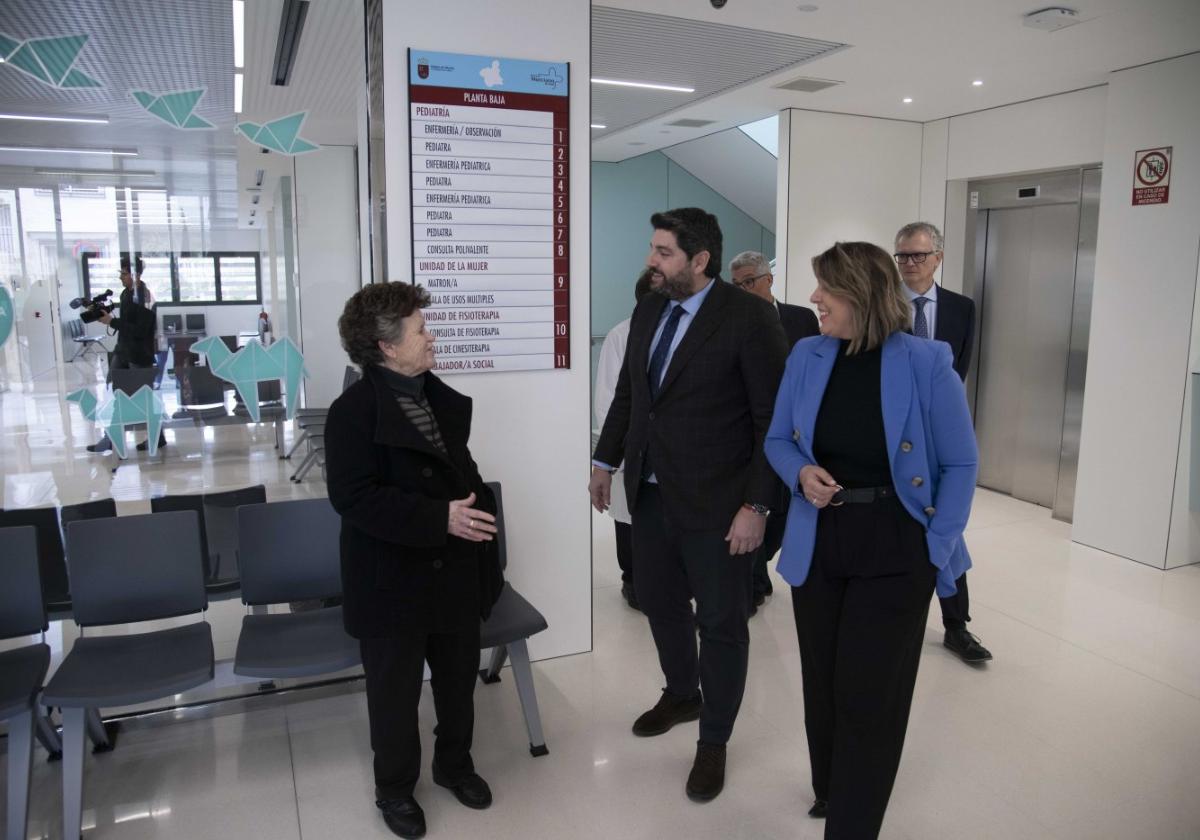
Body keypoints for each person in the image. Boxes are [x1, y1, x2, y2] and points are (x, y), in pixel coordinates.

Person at [765, 241, 978, 838]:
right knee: (824, 681)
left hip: (896, 543)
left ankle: (853, 823)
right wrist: (801, 473)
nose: (813, 300)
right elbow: (779, 439)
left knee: (871, 694)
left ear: (861, 295)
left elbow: (962, 464)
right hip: (821, 537)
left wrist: (934, 546)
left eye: (825, 291)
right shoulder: (806, 354)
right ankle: (831, 787)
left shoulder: (927, 361)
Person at [590, 208, 788, 802]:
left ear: (700, 260)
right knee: (659, 601)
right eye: (653, 248)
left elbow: (770, 422)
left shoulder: (750, 318)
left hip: (720, 505)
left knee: (723, 624)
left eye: (664, 252)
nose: (652, 260)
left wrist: (757, 505)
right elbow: (632, 393)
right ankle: (682, 692)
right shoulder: (650, 308)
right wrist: (604, 464)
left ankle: (714, 740)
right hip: (651, 495)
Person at [325, 281, 504, 840]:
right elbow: (353, 498)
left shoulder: (433, 396)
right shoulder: (350, 413)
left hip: (452, 571)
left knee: (456, 682)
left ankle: (454, 765)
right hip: (390, 581)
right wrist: (439, 518)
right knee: (395, 696)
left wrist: (475, 527)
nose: (431, 336)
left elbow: (460, 471)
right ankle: (395, 789)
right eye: (420, 329)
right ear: (387, 347)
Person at [894, 221, 992, 664]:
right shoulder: (882, 304)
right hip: (893, 436)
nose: (909, 264)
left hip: (940, 438)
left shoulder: (961, 307)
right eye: (902, 256)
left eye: (918, 255)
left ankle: (957, 625)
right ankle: (897, 618)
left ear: (939, 257)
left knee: (948, 527)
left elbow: (960, 370)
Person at [729, 250, 820, 610]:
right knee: (755, 501)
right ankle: (751, 583)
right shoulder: (731, 322)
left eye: (748, 281)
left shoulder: (801, 319)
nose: (742, 289)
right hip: (754, 429)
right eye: (735, 285)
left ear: (768, 279)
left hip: (798, 431)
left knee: (783, 510)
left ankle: (761, 568)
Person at [594, 269, 653, 611]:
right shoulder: (621, 336)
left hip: (668, 455)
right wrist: (619, 449)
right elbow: (607, 401)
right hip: (630, 448)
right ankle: (631, 580)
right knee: (628, 518)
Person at [88, 255, 163, 453]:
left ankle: (158, 436)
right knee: (114, 393)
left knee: (143, 399)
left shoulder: (144, 296)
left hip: (139, 355)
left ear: (135, 275)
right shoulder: (125, 294)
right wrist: (105, 313)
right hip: (122, 351)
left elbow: (140, 330)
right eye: (120, 273)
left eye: (123, 273)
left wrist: (111, 322)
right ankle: (110, 438)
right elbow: (127, 318)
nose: (121, 277)